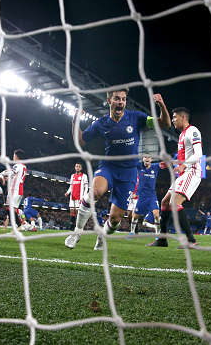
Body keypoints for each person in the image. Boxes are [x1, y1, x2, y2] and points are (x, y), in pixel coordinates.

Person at [64, 89, 171, 250]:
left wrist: (162, 105)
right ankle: (77, 232)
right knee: (95, 192)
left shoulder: (136, 117)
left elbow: (165, 124)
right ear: (109, 101)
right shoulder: (101, 123)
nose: (121, 101)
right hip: (109, 167)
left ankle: (103, 236)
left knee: (115, 219)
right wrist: (75, 122)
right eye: (117, 98)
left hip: (128, 172)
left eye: (123, 99)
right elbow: (80, 141)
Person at [147, 107, 202, 249]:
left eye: (175, 117)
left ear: (183, 117)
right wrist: (171, 163)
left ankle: (191, 240)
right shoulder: (182, 135)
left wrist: (183, 166)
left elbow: (198, 154)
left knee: (174, 202)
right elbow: (184, 157)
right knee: (165, 202)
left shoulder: (192, 131)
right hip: (184, 172)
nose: (172, 120)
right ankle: (162, 239)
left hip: (192, 171)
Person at [127, 153, 160, 239]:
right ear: (143, 159)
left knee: (156, 215)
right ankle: (132, 232)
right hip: (141, 196)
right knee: (135, 216)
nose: (147, 158)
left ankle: (157, 235)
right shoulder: (139, 167)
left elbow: (167, 163)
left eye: (149, 157)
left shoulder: (155, 167)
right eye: (145, 157)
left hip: (152, 196)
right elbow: (131, 161)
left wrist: (177, 159)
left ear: (151, 160)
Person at [2, 149, 27, 230]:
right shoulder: (23, 166)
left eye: (13, 156)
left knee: (11, 210)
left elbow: (11, 173)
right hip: (17, 190)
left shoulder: (18, 165)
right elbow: (14, 176)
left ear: (16, 156)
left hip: (15, 190)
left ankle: (19, 227)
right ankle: (18, 227)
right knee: (10, 209)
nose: (13, 158)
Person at [64, 162, 89, 228]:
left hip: (79, 197)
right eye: (76, 166)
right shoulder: (72, 176)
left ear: (81, 168)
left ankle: (79, 226)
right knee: (72, 212)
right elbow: (71, 186)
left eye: (79, 167)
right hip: (72, 197)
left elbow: (86, 187)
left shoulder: (84, 176)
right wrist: (67, 192)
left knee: (78, 213)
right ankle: (72, 225)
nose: (78, 168)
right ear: (75, 167)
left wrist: (84, 197)